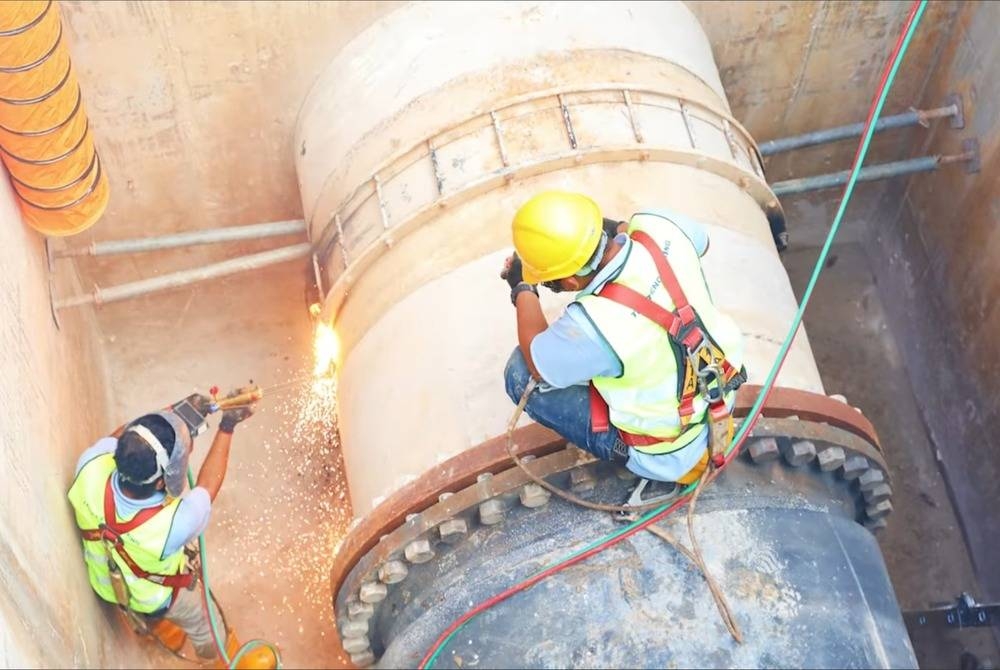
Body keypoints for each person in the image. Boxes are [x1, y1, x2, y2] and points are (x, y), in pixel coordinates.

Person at [501, 190, 747, 488]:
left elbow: (537, 364)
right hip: (719, 404)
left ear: (569, 281)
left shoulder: (593, 323)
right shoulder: (659, 225)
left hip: (669, 455)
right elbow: (701, 243)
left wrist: (522, 286)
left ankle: (623, 451)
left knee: (520, 372)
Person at [67, 391, 254, 661]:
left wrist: (174, 414)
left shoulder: (90, 465)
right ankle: (225, 660)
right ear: (159, 482)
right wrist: (228, 425)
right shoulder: (173, 524)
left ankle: (165, 631)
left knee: (148, 603)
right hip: (154, 597)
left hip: (106, 584)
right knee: (206, 624)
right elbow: (207, 487)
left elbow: (124, 437)